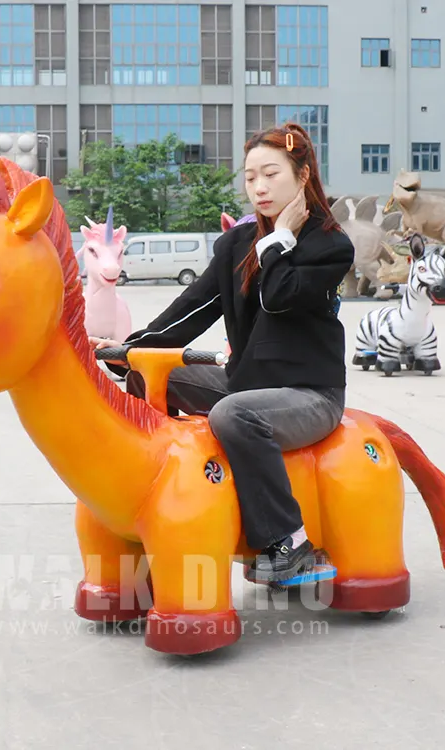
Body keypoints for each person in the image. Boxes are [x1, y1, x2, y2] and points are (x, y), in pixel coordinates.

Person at [89, 122, 355, 584]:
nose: (259, 187)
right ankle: (160, 508)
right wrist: (128, 349)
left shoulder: (329, 244)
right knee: (149, 378)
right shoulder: (236, 243)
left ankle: (289, 544)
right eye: (250, 177)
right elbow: (192, 309)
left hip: (309, 393)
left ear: (303, 175)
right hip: (246, 382)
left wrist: (279, 240)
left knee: (235, 416)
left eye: (271, 174)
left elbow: (279, 295)